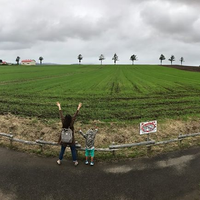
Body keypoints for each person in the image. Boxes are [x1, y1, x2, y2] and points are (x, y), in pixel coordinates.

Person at [56, 101, 82, 166]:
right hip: (71, 140)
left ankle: (59, 160)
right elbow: (75, 116)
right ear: (70, 119)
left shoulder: (63, 122)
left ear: (65, 119)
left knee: (62, 150)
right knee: (73, 150)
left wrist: (59, 106)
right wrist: (78, 108)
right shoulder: (71, 123)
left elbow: (61, 115)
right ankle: (75, 161)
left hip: (64, 140)